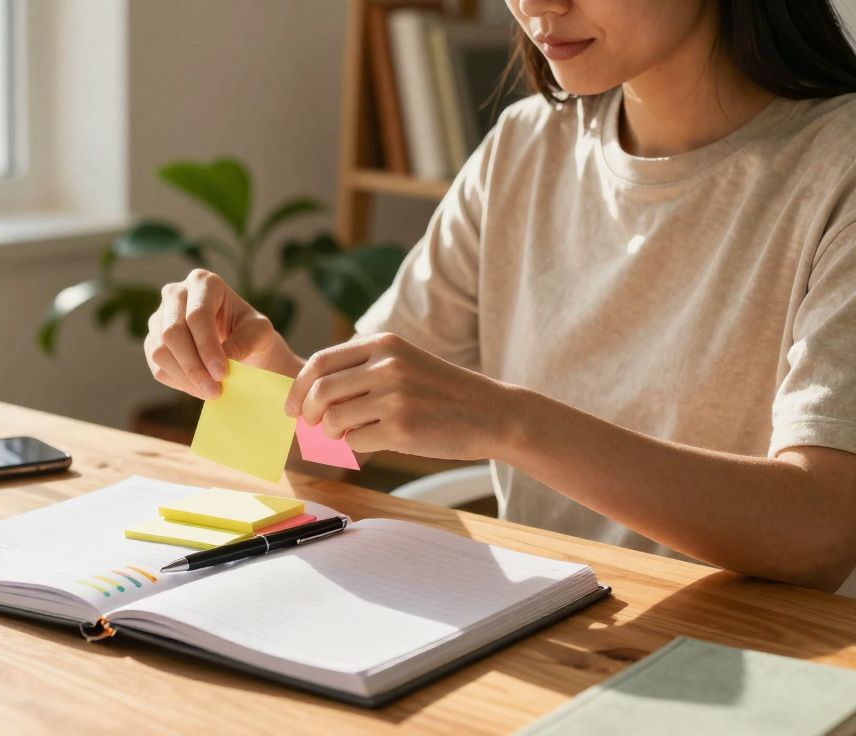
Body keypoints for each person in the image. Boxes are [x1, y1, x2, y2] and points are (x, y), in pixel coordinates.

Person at [142, 0, 856, 593]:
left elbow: (823, 532)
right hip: (544, 627)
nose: (537, 6)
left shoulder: (837, 169)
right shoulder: (525, 146)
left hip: (757, 664)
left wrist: (511, 423)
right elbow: (333, 445)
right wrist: (265, 375)